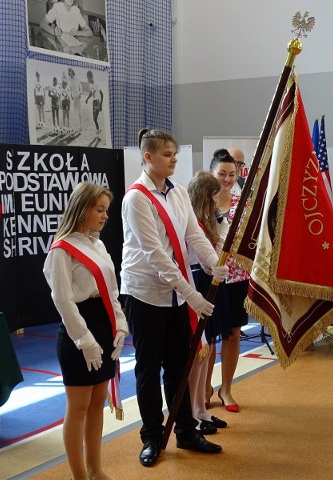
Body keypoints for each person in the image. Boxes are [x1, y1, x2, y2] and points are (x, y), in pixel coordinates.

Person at [121, 129, 227, 467]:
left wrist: (213, 263)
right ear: (148, 157)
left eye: (175, 154)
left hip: (176, 296)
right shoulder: (136, 198)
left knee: (180, 366)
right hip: (146, 293)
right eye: (167, 154)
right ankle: (152, 436)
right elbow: (155, 254)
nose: (174, 159)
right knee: (148, 368)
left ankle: (185, 430)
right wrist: (193, 295)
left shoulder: (179, 192)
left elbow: (193, 233)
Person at [43, 181, 128, 480]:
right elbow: (63, 300)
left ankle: (95, 469)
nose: (105, 216)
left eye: (106, 210)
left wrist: (120, 323)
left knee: (96, 404)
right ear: (82, 209)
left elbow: (112, 289)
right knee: (78, 407)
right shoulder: (61, 250)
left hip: (103, 324)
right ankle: (79, 475)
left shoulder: (99, 244)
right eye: (99, 209)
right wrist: (85, 340)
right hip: (78, 330)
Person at [205, 148, 250, 413]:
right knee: (208, 336)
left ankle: (227, 389)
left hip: (238, 276)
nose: (227, 179)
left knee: (232, 333)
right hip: (210, 276)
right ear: (212, 173)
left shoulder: (244, 200)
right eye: (222, 173)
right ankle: (205, 388)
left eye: (232, 174)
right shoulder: (202, 201)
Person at [186, 171, 230, 433]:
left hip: (211, 281)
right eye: (212, 197)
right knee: (198, 352)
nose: (216, 202)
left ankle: (201, 409)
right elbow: (207, 258)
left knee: (209, 346)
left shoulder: (210, 220)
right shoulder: (192, 222)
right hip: (199, 283)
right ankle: (193, 410)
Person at [85, 70, 104, 135]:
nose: (87, 80)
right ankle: (98, 129)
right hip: (93, 102)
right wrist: (87, 99)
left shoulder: (96, 84)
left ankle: (98, 131)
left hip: (97, 102)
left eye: (88, 78)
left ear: (91, 77)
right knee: (94, 119)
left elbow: (102, 94)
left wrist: (101, 104)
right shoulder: (91, 85)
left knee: (95, 118)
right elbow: (91, 93)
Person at [67, 68, 83, 132]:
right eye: (69, 72)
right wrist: (70, 95)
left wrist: (80, 93)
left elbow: (80, 86)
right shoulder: (69, 80)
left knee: (79, 113)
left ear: (72, 71)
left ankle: (80, 126)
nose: (70, 72)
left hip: (78, 96)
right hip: (73, 97)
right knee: (75, 112)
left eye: (70, 71)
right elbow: (70, 88)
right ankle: (77, 126)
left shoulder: (77, 78)